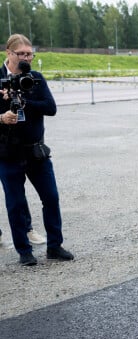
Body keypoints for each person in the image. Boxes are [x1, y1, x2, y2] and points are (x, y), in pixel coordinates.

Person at [0, 34, 73, 266]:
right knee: (16, 204)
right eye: (21, 54)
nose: (26, 58)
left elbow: (51, 108)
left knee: (51, 198)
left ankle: (55, 246)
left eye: (30, 54)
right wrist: (2, 117)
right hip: (8, 154)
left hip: (36, 152)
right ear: (8, 53)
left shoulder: (35, 78)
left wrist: (25, 103)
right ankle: (24, 251)